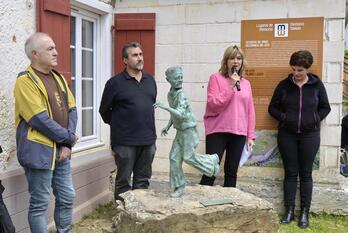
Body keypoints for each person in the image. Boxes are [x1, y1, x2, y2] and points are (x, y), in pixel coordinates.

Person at [14, 32, 78, 233]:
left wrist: (67, 144)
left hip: (62, 151)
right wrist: (68, 138)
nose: (56, 52)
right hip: (39, 152)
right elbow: (39, 119)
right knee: (40, 204)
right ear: (35, 54)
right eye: (50, 49)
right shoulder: (25, 81)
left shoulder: (58, 77)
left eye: (55, 48)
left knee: (67, 197)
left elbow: (72, 109)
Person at [268, 50, 331, 228]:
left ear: (307, 69)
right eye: (294, 69)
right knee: (290, 174)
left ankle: (304, 212)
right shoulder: (283, 85)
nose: (296, 74)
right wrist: (285, 118)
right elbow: (272, 108)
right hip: (287, 135)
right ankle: (289, 210)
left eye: (300, 70)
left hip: (310, 136)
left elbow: (326, 108)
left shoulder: (317, 86)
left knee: (305, 174)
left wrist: (314, 119)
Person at [99, 42, 157, 201]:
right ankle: (122, 216)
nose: (139, 58)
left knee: (143, 180)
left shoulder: (150, 80)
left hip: (148, 141)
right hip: (124, 142)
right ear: (125, 60)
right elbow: (104, 111)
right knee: (124, 181)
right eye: (135, 55)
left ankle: (139, 215)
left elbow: (149, 107)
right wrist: (121, 125)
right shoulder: (115, 83)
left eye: (141, 54)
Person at [154, 66, 220, 198]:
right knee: (174, 158)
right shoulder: (170, 94)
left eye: (181, 77)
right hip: (180, 131)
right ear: (168, 80)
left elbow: (179, 114)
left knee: (188, 157)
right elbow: (175, 115)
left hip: (189, 131)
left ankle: (211, 163)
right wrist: (168, 126)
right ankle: (179, 185)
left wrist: (165, 107)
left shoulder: (181, 95)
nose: (179, 80)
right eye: (176, 78)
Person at [199, 45, 256, 188]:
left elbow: (250, 110)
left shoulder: (246, 84)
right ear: (226, 61)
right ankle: (199, 204)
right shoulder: (215, 79)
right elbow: (214, 104)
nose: (236, 61)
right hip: (218, 131)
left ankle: (230, 206)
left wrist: (250, 136)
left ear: (242, 62)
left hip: (239, 132)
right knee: (210, 170)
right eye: (232, 58)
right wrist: (230, 87)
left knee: (231, 172)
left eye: (239, 58)